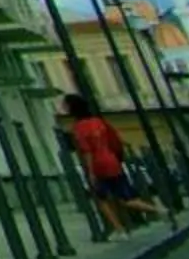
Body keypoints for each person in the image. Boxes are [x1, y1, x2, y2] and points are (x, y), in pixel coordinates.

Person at [64, 92, 160, 233]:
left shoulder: (79, 127)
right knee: (126, 199)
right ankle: (159, 210)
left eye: (65, 105)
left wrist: (91, 173)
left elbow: (87, 151)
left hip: (98, 166)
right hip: (112, 162)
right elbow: (115, 142)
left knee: (101, 200)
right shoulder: (99, 122)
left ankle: (119, 229)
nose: (64, 108)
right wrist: (118, 159)